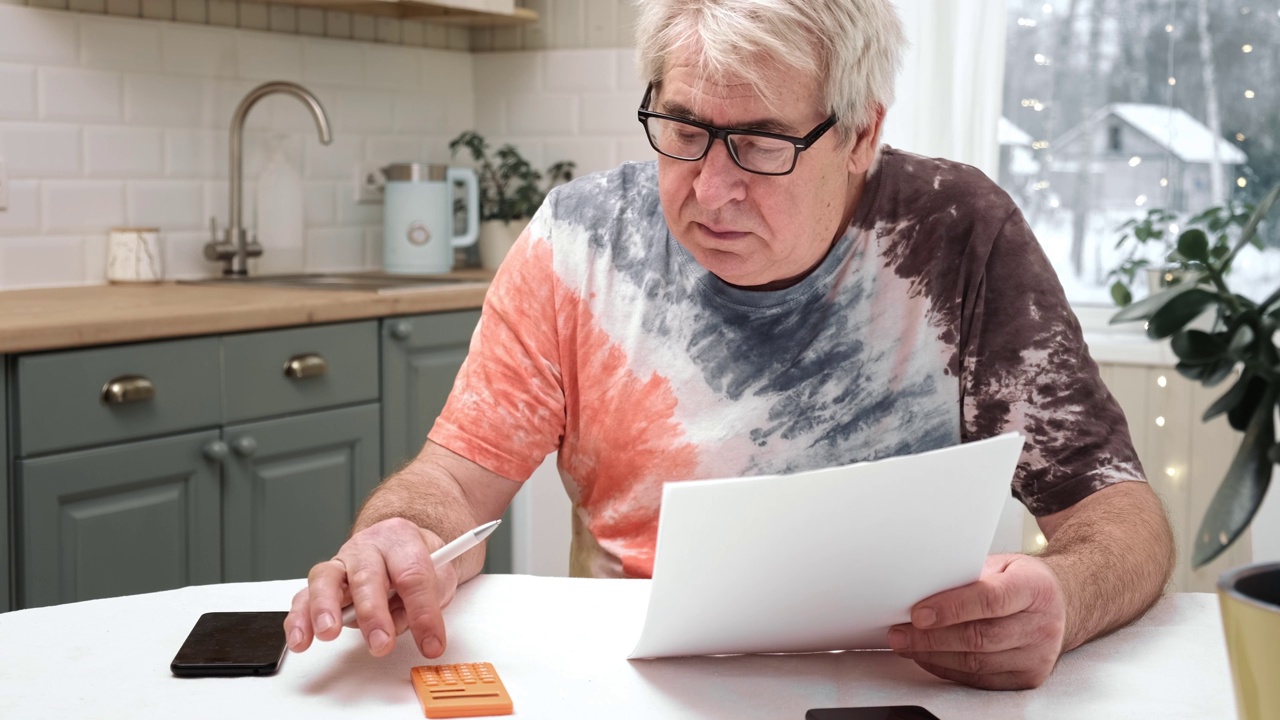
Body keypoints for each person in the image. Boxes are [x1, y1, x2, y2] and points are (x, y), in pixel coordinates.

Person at [285, 0, 1175, 691]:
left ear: (861, 131)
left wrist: (1065, 600)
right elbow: (452, 483)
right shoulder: (579, 242)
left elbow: (1119, 520)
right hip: (631, 680)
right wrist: (401, 536)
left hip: (896, 679)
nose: (711, 190)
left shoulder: (958, 233)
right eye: (683, 131)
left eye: (758, 144)